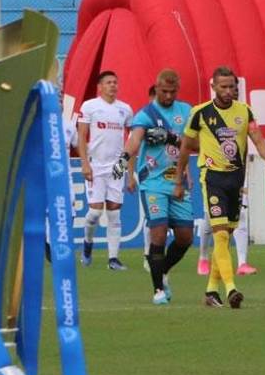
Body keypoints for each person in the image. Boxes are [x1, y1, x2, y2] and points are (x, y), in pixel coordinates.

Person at [178, 65, 265, 309]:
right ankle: (231, 288)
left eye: (232, 87)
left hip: (236, 179)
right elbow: (185, 146)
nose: (228, 91)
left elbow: (257, 139)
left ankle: (211, 292)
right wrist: (179, 178)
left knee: (225, 238)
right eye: (223, 87)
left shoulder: (244, 112)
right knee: (221, 234)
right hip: (212, 177)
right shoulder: (200, 113)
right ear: (213, 87)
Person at [117, 69, 194, 305]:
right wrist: (121, 163)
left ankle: (162, 270)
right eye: (164, 91)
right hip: (153, 183)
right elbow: (134, 140)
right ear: (156, 88)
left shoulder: (186, 111)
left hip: (177, 181)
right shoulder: (146, 114)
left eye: (172, 92)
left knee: (185, 237)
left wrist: (172, 138)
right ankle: (158, 290)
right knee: (158, 233)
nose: (168, 96)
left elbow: (193, 143)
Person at [77, 69, 134, 270]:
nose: (113, 85)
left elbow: (132, 141)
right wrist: (84, 163)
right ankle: (87, 244)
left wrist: (130, 172)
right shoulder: (90, 106)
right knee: (94, 212)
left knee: (114, 213)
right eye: (109, 82)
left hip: (118, 165)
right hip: (96, 163)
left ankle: (113, 259)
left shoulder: (125, 109)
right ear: (100, 87)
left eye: (115, 82)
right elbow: (82, 136)